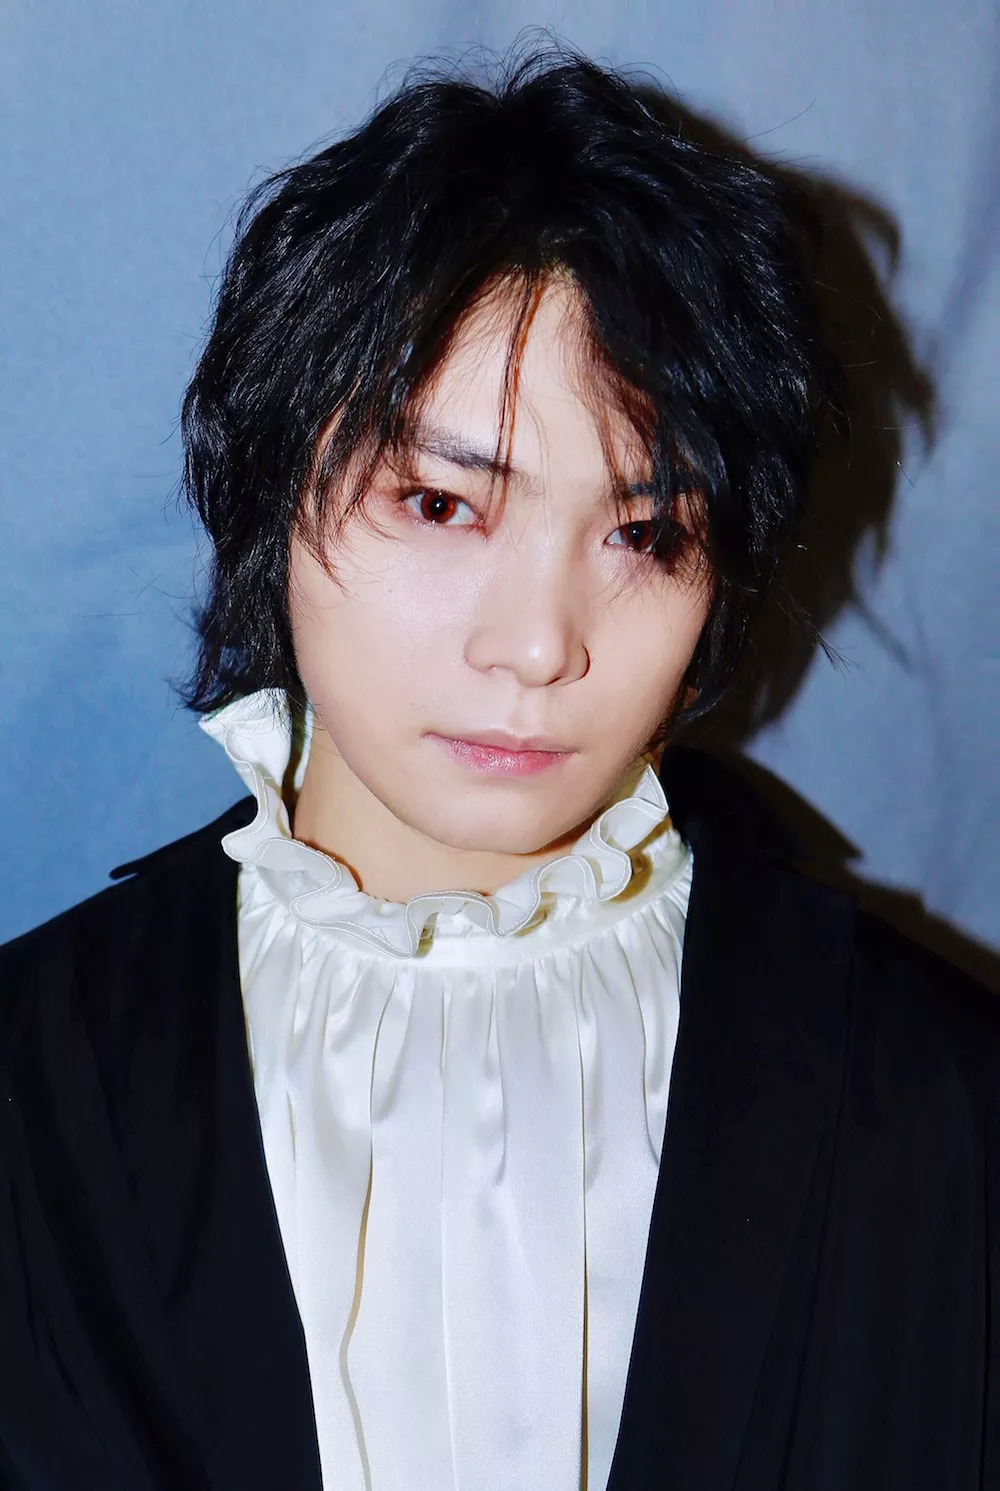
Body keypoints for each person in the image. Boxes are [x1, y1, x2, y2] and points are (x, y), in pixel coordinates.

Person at [0, 47, 997, 1491]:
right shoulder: (35, 1079)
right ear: (272, 490)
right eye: (439, 502)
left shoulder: (936, 1101)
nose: (537, 645)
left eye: (643, 535)